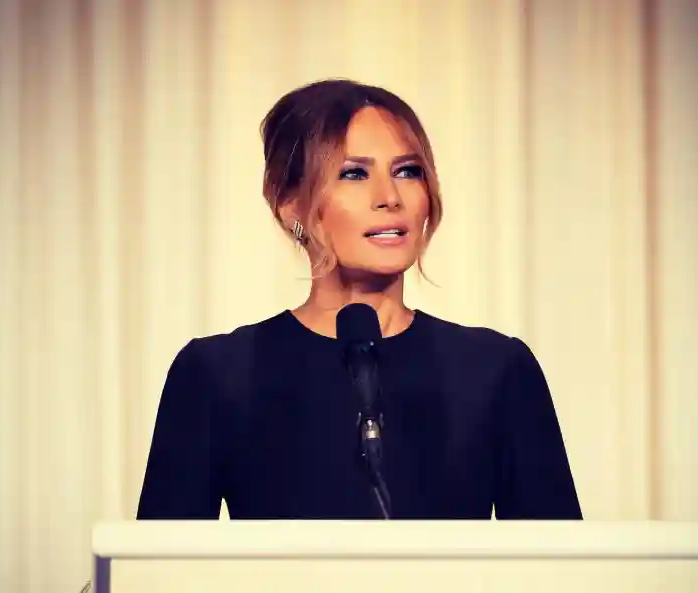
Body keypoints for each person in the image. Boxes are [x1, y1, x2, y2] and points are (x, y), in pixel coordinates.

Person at [136, 79, 583, 521]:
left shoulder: (497, 369)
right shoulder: (217, 374)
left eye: (408, 171)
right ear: (289, 204)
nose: (390, 198)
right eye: (354, 173)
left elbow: (560, 568)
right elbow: (156, 570)